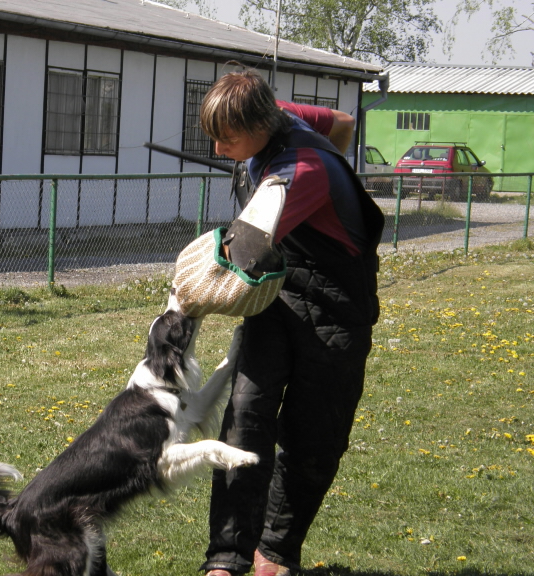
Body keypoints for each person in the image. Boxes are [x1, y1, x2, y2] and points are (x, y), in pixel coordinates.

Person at [198, 69, 384, 576]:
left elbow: (239, 250)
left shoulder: (300, 170)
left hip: (334, 311)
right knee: (246, 418)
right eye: (213, 135)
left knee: (313, 439)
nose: (218, 149)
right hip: (276, 297)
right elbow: (343, 123)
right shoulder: (281, 111)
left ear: (261, 122)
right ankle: (227, 561)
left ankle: (274, 555)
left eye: (228, 139)